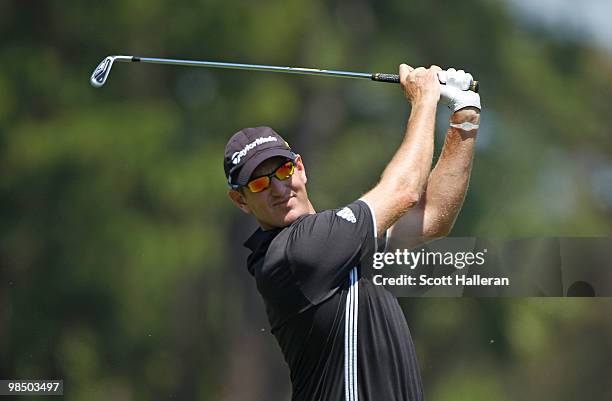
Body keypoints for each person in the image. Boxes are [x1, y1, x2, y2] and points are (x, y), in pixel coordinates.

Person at [224, 64, 481, 401]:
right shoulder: (292, 254)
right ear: (241, 201)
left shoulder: (338, 244)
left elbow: (432, 217)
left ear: (299, 168)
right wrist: (424, 100)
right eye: (258, 183)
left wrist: (465, 114)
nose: (277, 188)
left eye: (283, 170)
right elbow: (404, 191)